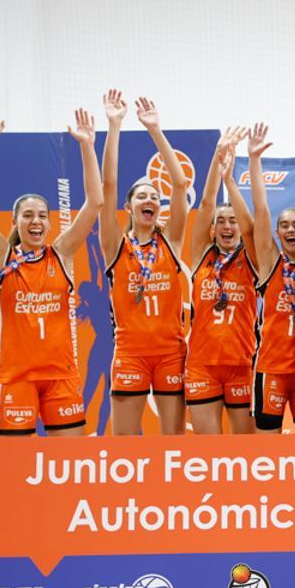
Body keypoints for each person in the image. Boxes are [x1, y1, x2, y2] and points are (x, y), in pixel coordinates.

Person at [0, 101, 102, 436]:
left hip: (61, 378)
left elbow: (96, 202)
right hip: (17, 379)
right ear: (15, 222)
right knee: (16, 473)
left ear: (49, 223)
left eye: (42, 215)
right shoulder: (1, 255)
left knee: (68, 472)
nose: (36, 220)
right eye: (28, 215)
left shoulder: (62, 253)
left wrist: (87, 146)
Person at [98, 90, 190, 435]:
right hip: (130, 352)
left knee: (173, 445)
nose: (150, 198)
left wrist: (155, 130)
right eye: (142, 195)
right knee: (124, 444)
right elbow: (107, 187)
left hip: (170, 351)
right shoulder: (114, 246)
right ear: (130, 206)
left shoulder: (172, 241)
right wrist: (114, 125)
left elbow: (179, 184)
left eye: (154, 195)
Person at [183, 127, 258, 434]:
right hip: (201, 365)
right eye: (221, 222)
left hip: (241, 364)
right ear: (212, 229)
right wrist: (218, 156)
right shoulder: (202, 253)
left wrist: (232, 180)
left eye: (234, 221)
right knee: (208, 451)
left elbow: (253, 228)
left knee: (245, 451)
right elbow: (206, 202)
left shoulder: (252, 257)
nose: (228, 226)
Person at [249, 122, 295, 434]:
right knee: (267, 452)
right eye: (285, 225)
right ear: (277, 233)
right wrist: (254, 160)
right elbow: (261, 210)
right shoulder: (270, 262)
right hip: (271, 369)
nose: (292, 229)